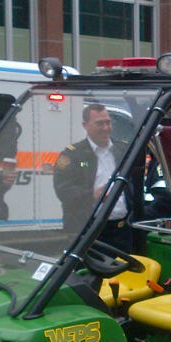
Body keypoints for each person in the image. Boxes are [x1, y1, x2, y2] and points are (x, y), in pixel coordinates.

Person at [53, 103, 133, 251]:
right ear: (85, 125)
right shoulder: (73, 154)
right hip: (89, 230)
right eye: (99, 124)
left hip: (123, 230)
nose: (105, 128)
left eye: (108, 123)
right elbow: (63, 191)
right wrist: (93, 195)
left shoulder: (123, 150)